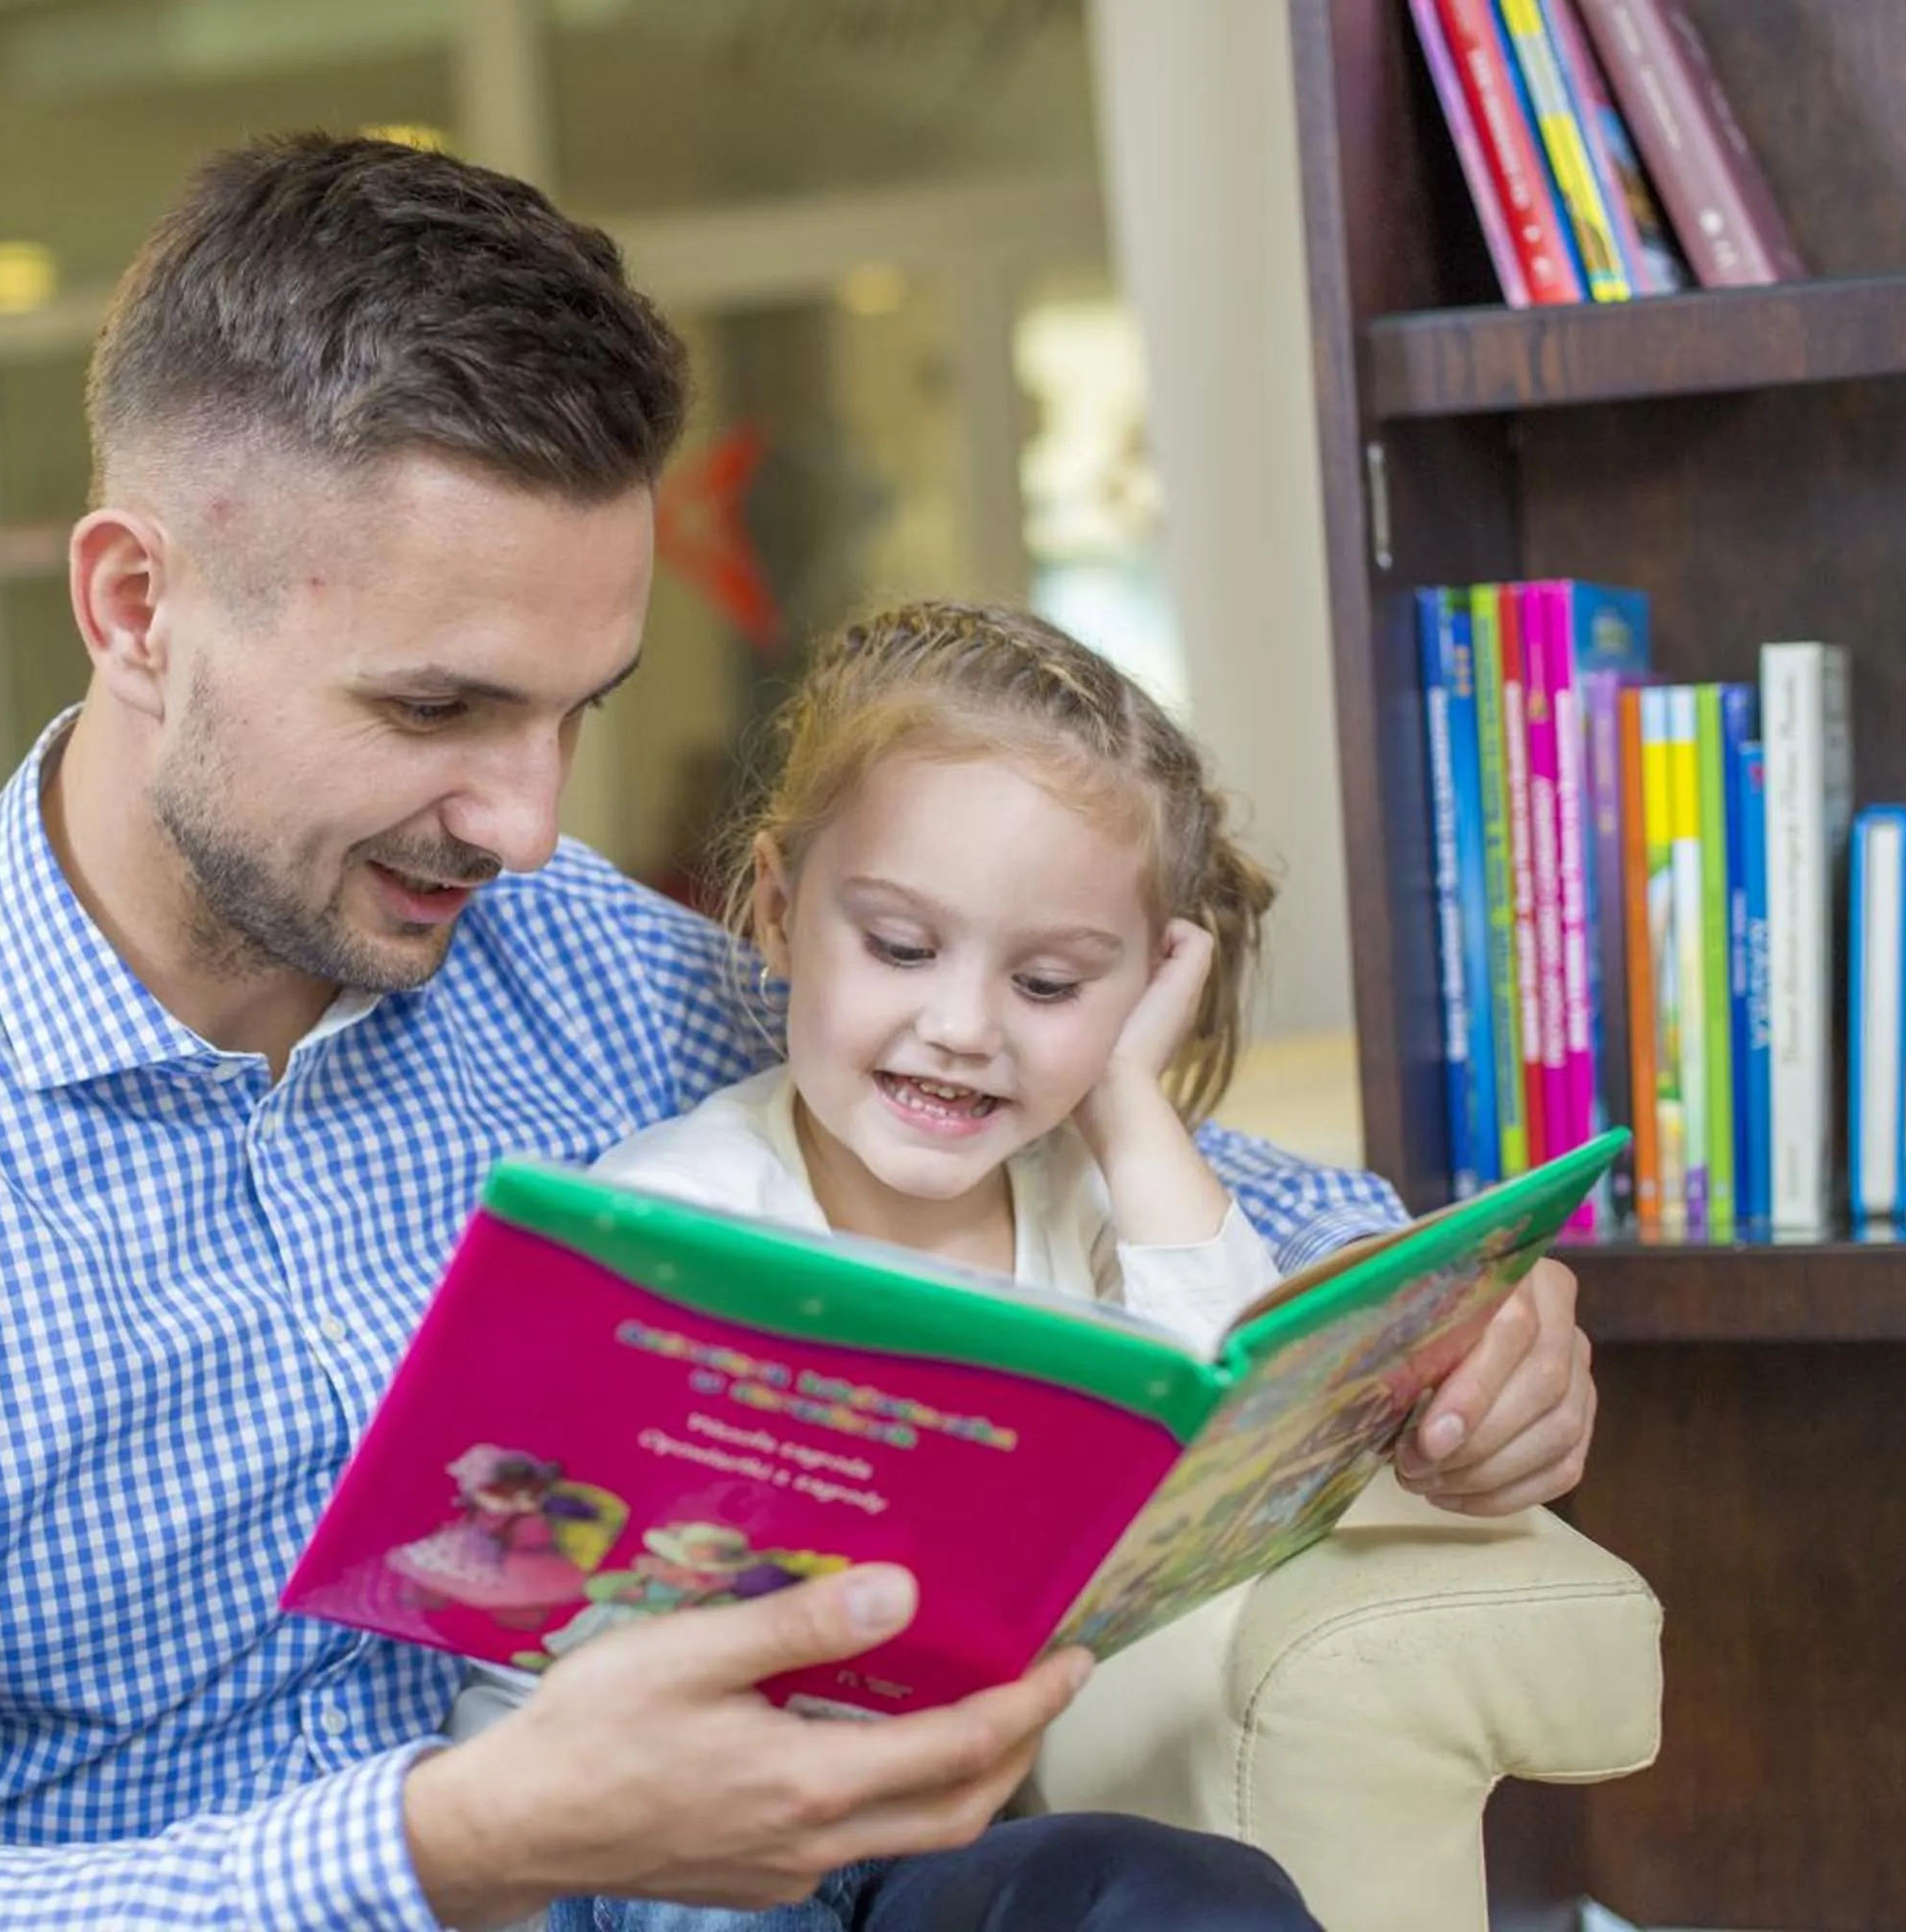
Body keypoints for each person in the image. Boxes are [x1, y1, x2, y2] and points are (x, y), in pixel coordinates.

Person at [0, 133, 1599, 1932]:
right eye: (436, 711)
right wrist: (454, 1844)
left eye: (576, 710)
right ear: (137, 605)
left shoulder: (565, 961)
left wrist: (1449, 1327)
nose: (527, 822)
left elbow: (1078, 1161)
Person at [455, 598, 1322, 1930]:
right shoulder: (672, 1219)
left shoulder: (1086, 1206)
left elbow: (1235, 1440)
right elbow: (513, 1591)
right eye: (902, 949)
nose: (963, 1026)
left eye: (1050, 986)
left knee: (1195, 1896)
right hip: (645, 1844)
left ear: (1146, 980)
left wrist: (1132, 1103)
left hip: (927, 1838)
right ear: (781, 908)